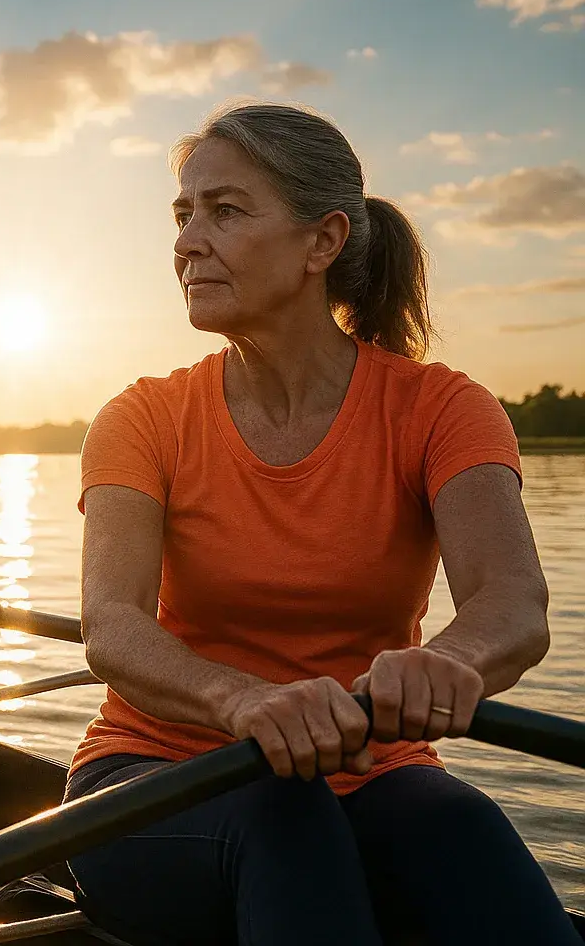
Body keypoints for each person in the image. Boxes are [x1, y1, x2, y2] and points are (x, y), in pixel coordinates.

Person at [67, 101, 575, 945]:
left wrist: (450, 661)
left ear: (323, 241)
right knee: (285, 818)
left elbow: (512, 601)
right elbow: (112, 626)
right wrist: (244, 701)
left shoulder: (443, 407)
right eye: (183, 214)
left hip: (370, 770)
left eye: (225, 211)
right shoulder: (142, 418)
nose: (187, 242)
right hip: (152, 775)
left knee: (463, 827)